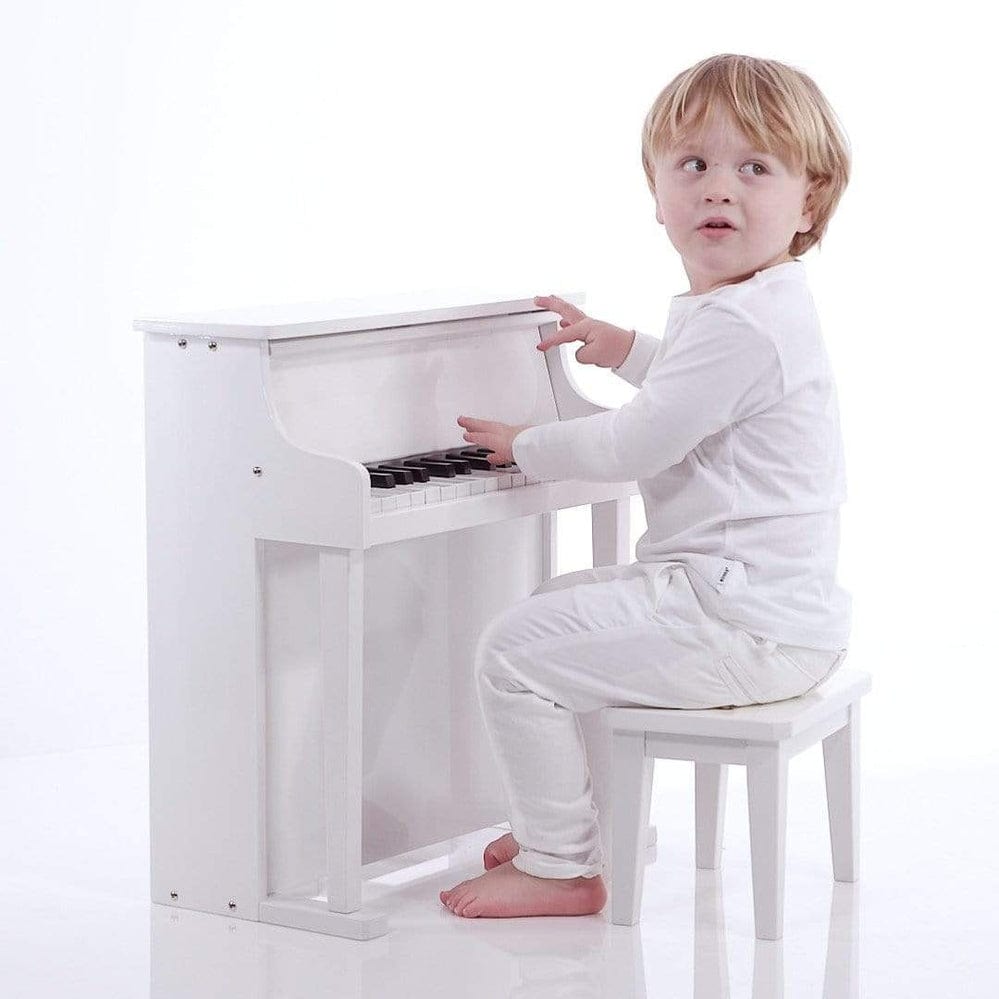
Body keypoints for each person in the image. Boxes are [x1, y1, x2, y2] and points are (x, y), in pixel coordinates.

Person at [440, 52, 853, 920]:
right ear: (655, 189)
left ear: (808, 199)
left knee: (514, 650)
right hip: (767, 610)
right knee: (556, 607)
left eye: (754, 167)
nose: (718, 190)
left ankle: (560, 865)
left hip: (738, 621)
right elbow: (696, 397)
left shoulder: (741, 317)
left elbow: (641, 439)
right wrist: (624, 347)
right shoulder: (757, 306)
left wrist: (528, 445)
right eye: (692, 164)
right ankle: (567, 817)